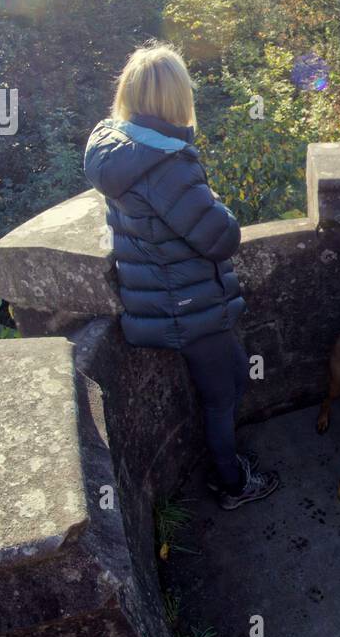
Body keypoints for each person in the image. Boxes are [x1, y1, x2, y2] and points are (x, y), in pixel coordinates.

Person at [84, 42, 279, 509]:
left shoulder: (122, 148)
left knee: (231, 379)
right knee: (222, 394)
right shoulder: (166, 164)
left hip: (168, 299)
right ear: (175, 98)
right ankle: (231, 484)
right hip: (187, 306)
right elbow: (218, 238)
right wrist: (223, 210)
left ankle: (226, 461)